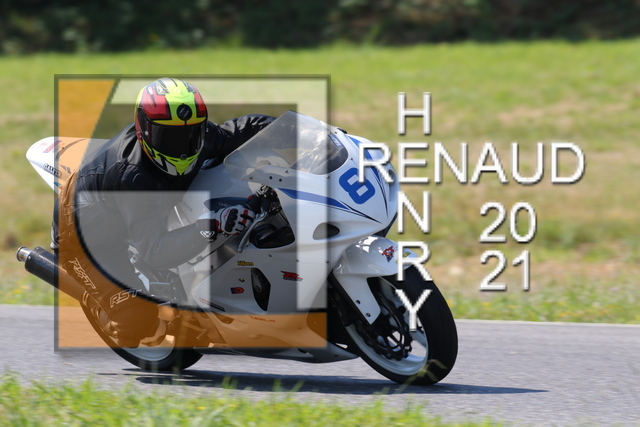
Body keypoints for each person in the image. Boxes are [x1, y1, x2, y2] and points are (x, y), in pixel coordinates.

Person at [53, 77, 274, 347]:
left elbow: (243, 129)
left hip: (146, 210)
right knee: (135, 325)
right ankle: (98, 298)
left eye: (190, 134)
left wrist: (306, 133)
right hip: (87, 239)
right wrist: (212, 225)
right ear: (143, 130)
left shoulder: (202, 138)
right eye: (167, 137)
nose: (181, 146)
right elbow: (154, 252)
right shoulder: (133, 177)